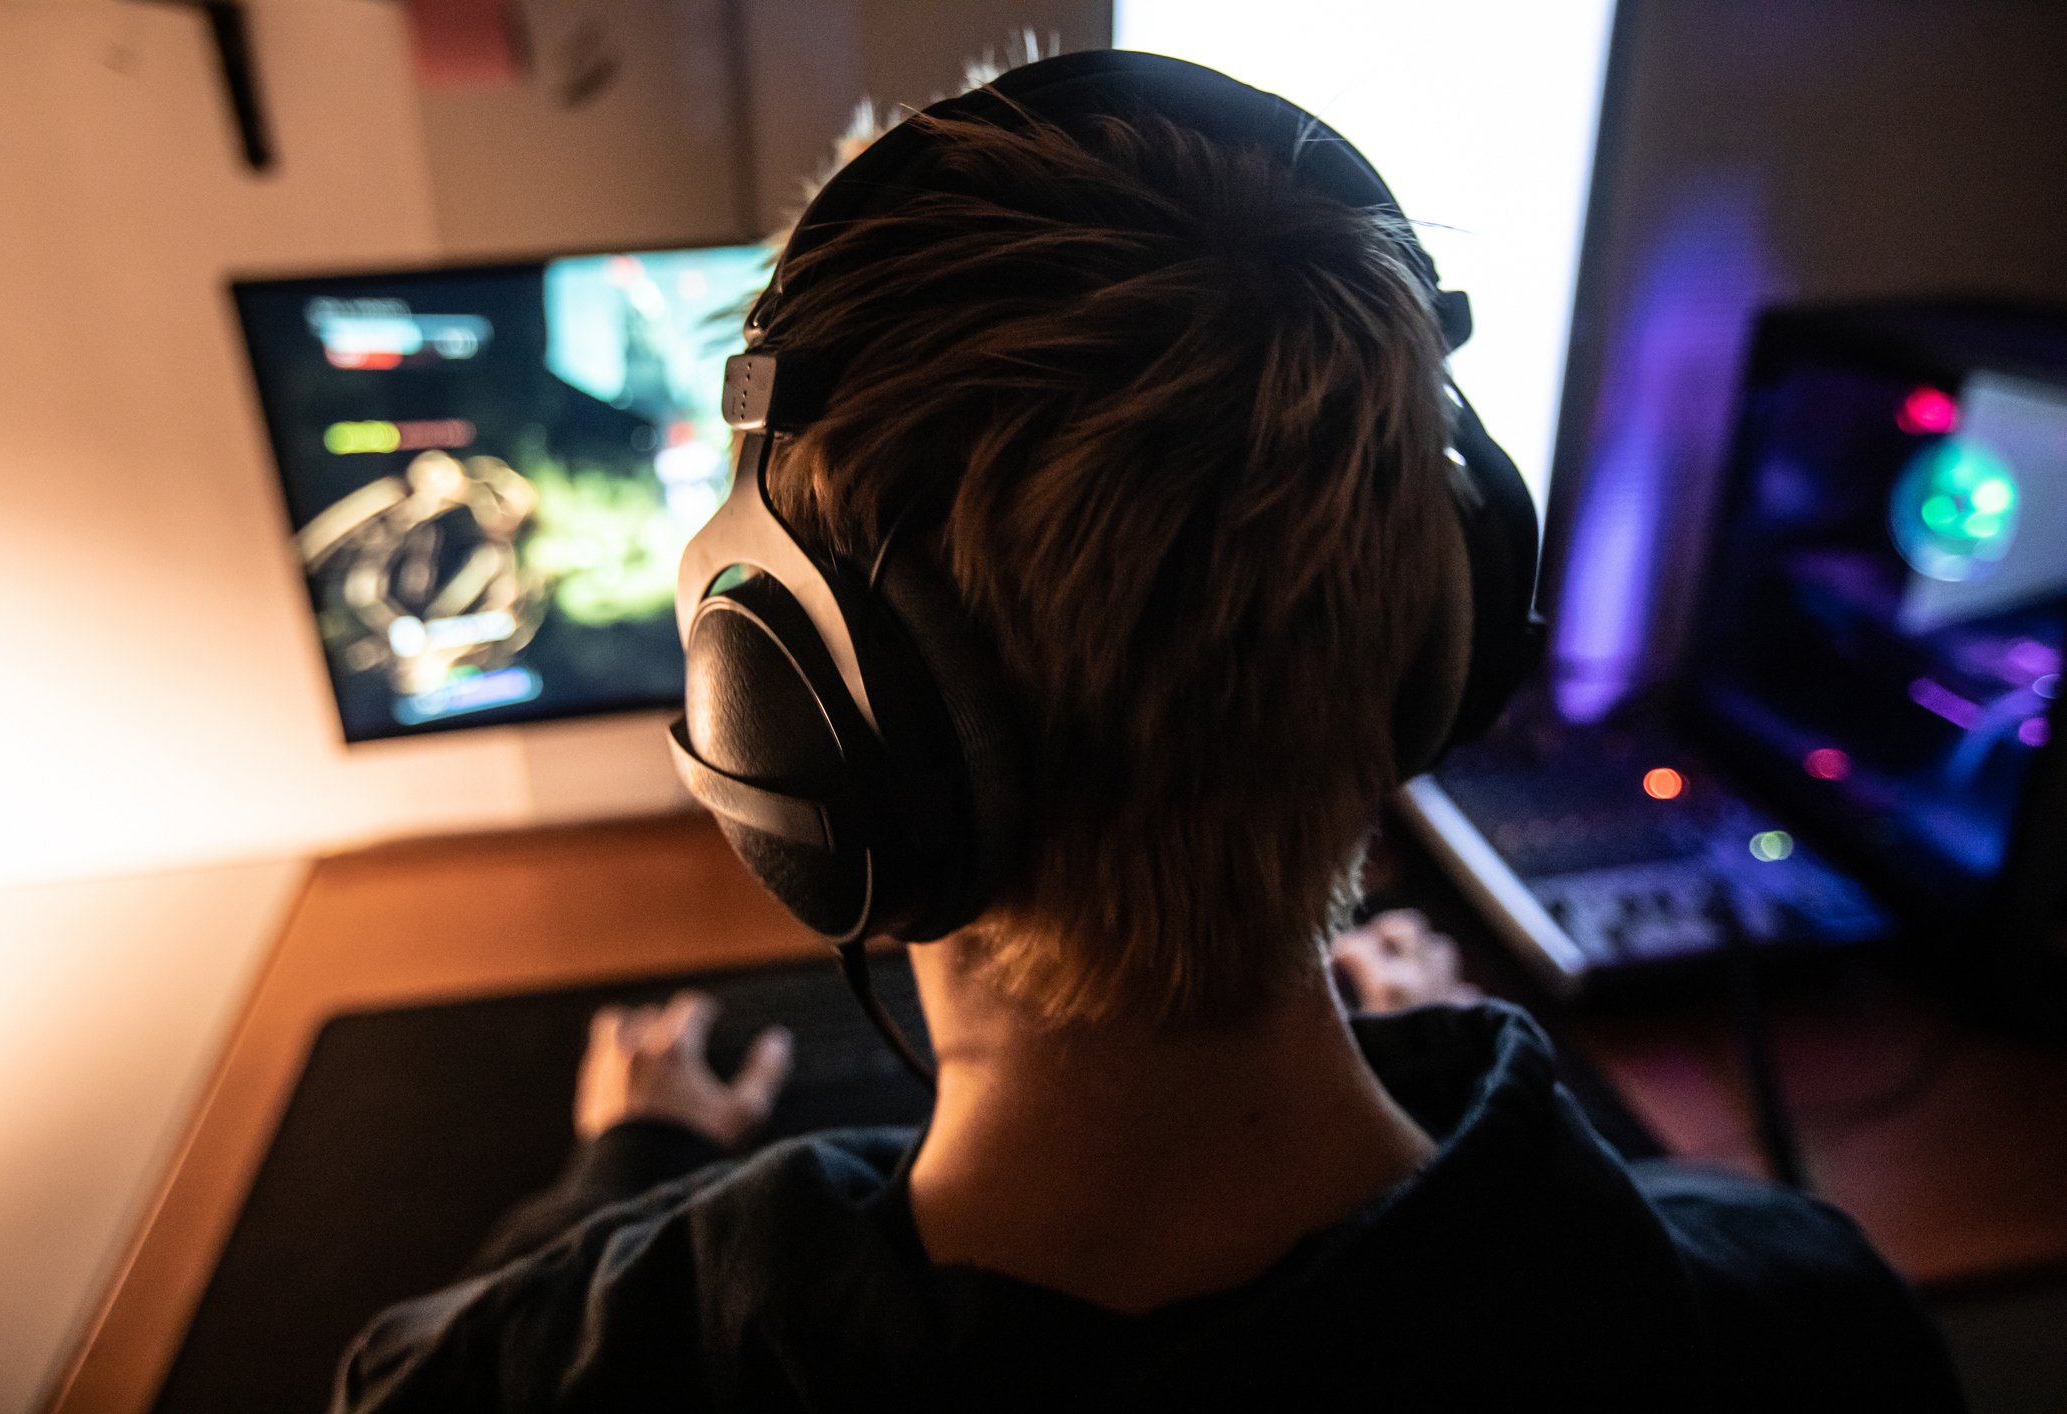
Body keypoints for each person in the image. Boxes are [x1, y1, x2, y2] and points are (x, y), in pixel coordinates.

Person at [332, 60, 1965, 1413]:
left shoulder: (538, 1372)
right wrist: (1428, 1073)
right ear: (1440, 634)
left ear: (790, 714)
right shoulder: (1808, 1335)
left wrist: (624, 1164)